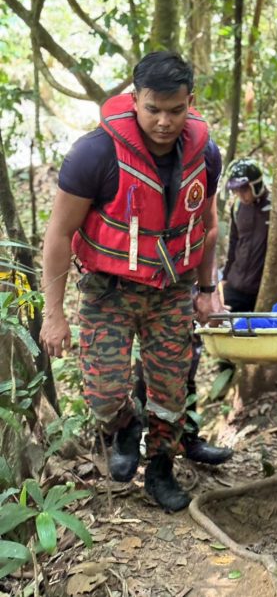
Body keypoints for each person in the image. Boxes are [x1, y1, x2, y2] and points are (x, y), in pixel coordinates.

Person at [40, 51, 226, 512]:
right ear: (134, 98)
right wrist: (54, 313)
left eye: (176, 110)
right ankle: (125, 424)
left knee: (170, 391)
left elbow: (205, 226)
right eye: (153, 109)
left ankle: (160, 469)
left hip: (173, 289)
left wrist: (206, 290)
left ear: (190, 102)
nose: (164, 121)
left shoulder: (205, 153)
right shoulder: (96, 153)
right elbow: (59, 234)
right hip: (109, 290)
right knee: (102, 395)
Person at [221, 158, 271, 312]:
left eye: (244, 190)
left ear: (255, 184)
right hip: (235, 284)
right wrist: (224, 277)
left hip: (261, 289)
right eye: (236, 190)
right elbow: (234, 243)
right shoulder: (237, 207)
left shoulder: (274, 207)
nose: (240, 195)